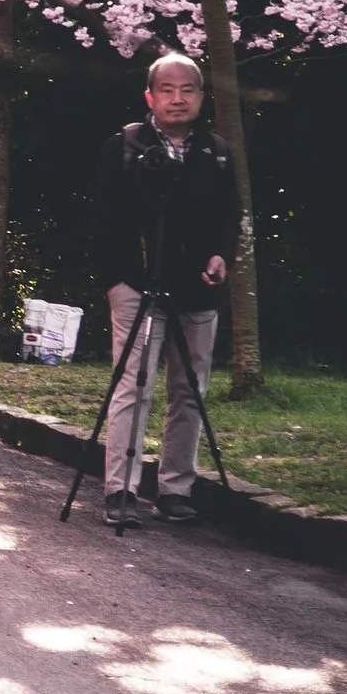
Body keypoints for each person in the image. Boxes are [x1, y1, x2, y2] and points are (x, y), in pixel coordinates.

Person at [95, 51, 242, 532]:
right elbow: (104, 220)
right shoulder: (125, 145)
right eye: (167, 90)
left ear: (201, 97)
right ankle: (121, 489)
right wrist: (117, 279)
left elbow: (229, 216)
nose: (177, 99)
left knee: (190, 390)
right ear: (149, 97)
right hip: (136, 283)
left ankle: (176, 488)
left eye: (187, 90)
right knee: (132, 384)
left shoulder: (216, 151)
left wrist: (221, 257)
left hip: (197, 288)